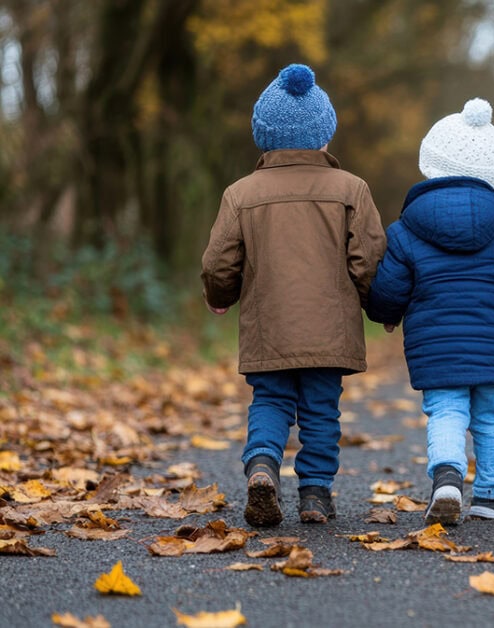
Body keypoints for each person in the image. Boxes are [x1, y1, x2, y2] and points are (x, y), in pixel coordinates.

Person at [201, 64, 386, 527]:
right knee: (322, 410)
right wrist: (381, 306)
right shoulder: (351, 189)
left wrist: (220, 294)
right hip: (330, 331)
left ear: (264, 137)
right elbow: (368, 258)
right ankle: (315, 497)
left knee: (270, 401)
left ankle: (263, 466)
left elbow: (219, 260)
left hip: (270, 328)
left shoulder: (240, 193)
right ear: (324, 136)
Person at [365, 98, 494, 525]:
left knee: (447, 411)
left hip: (437, 351)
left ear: (430, 166)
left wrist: (385, 312)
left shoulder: (406, 229)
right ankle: (490, 496)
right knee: (490, 418)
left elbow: (387, 291)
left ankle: (447, 476)